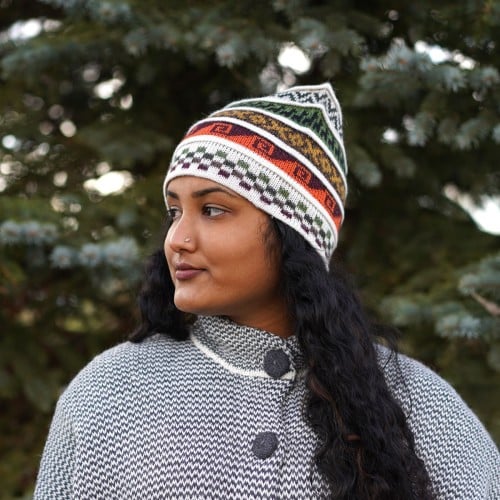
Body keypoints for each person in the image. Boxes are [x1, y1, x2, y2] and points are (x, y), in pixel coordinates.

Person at [34, 83, 499, 499]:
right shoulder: (110, 391)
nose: (177, 239)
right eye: (175, 211)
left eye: (213, 210)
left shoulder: (421, 405)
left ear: (292, 234)